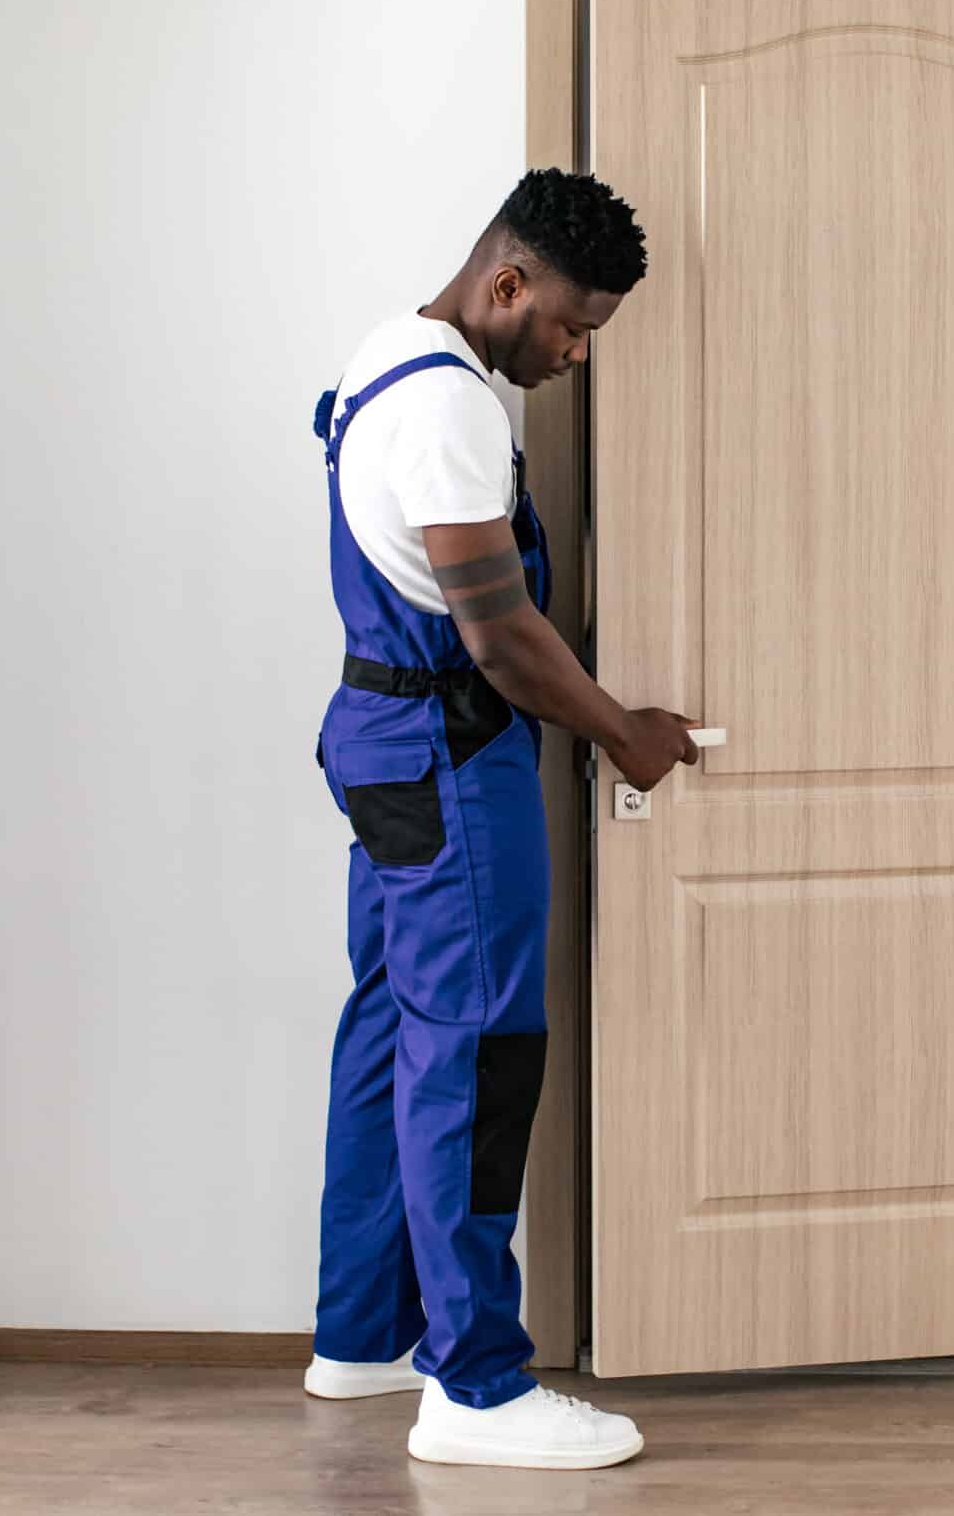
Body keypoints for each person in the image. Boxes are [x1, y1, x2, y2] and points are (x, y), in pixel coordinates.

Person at [303, 169, 695, 1470]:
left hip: (384, 743)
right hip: (446, 756)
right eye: (572, 325)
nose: (575, 355)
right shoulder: (450, 413)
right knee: (476, 1056)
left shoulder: (389, 359)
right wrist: (623, 732)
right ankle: (474, 1389)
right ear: (508, 282)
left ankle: (363, 1336)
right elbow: (502, 636)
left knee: (393, 1031)